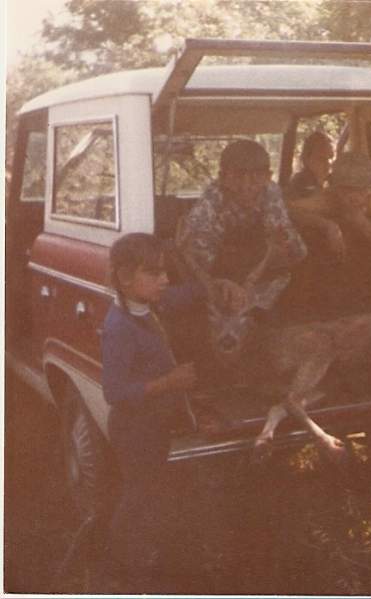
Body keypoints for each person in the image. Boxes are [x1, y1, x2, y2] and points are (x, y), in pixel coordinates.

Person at [101, 232, 203, 583]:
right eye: (154, 273)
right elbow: (114, 392)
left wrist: (215, 286)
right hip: (134, 429)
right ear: (126, 277)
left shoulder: (149, 304)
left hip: (153, 425)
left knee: (150, 488)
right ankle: (125, 567)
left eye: (165, 271)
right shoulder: (119, 327)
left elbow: (180, 294)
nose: (165, 280)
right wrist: (169, 383)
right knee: (138, 493)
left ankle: (142, 553)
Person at [176, 139, 307, 313]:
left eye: (255, 177)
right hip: (218, 269)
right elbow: (193, 250)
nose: (246, 185)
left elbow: (288, 245)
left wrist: (250, 282)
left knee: (296, 252)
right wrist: (219, 284)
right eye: (237, 176)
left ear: (268, 177)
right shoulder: (212, 199)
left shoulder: (271, 192)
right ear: (222, 177)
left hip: (259, 268)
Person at [283, 151, 371, 319]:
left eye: (360, 190)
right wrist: (327, 226)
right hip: (336, 279)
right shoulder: (329, 198)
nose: (353, 196)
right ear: (336, 189)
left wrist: (361, 221)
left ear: (369, 189)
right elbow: (287, 209)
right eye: (346, 190)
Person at [285, 131, 335, 200]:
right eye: (321, 158)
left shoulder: (330, 181)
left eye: (329, 158)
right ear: (306, 159)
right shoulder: (300, 183)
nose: (327, 164)